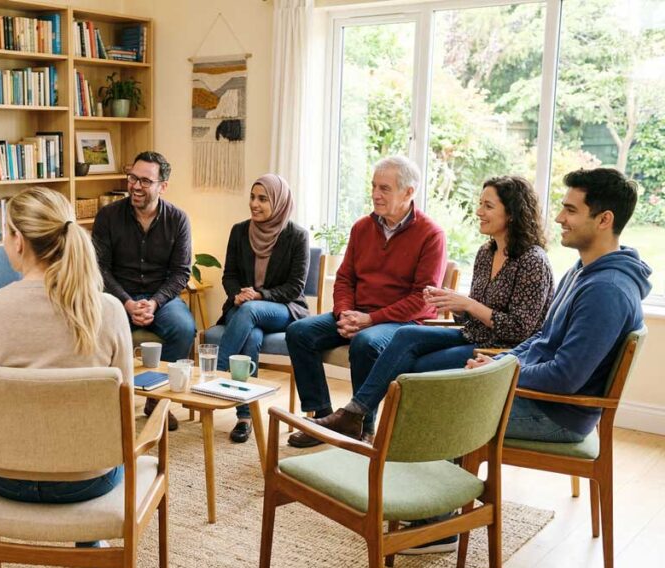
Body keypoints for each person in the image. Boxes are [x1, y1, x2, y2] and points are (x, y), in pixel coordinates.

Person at [0, 187, 133, 562]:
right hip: (86, 482)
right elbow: (126, 413)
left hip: (4, 478)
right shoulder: (107, 310)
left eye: (5, 232)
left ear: (18, 241)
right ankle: (89, 543)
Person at [315, 175, 555, 441]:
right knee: (405, 336)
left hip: (500, 350)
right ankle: (356, 416)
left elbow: (522, 330)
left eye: (488, 206)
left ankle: (391, 431)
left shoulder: (533, 261)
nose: (478, 212)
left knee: (415, 365)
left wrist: (468, 305)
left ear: (511, 213)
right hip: (473, 335)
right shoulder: (486, 254)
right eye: (480, 204)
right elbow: (471, 315)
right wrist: (453, 303)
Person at [468, 167, 651, 442]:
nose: (558, 218)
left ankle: (458, 484)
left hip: (554, 413)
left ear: (604, 220)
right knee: (445, 393)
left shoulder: (606, 290)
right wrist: (499, 362)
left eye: (571, 211)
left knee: (444, 411)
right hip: (539, 397)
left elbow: (565, 377)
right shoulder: (583, 269)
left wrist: (498, 372)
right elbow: (543, 336)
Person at [286, 156, 447, 447]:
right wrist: (346, 312)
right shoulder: (362, 227)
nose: (375, 194)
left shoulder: (431, 234)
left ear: (408, 192)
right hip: (359, 313)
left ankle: (362, 427)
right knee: (299, 332)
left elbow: (421, 300)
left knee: (366, 342)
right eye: (374, 186)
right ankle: (323, 418)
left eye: (384, 188)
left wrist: (371, 320)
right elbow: (345, 277)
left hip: (402, 323)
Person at [92, 150, 195, 431]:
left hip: (159, 296)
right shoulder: (108, 217)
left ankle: (157, 400)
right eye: (132, 178)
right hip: (117, 294)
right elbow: (100, 269)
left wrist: (155, 302)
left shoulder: (178, 220)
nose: (136, 186)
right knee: (96, 326)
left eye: (145, 181)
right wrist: (125, 302)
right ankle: (105, 401)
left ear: (162, 186)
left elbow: (181, 272)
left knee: (185, 328)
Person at [216, 174, 309, 443]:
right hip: (243, 306)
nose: (254, 204)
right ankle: (246, 416)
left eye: (262, 199)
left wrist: (259, 295)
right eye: (252, 197)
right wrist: (237, 294)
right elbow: (229, 275)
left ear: (278, 202)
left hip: (282, 308)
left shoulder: (296, 236)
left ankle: (217, 378)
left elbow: (295, 286)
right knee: (252, 336)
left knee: (250, 312)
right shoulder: (238, 231)